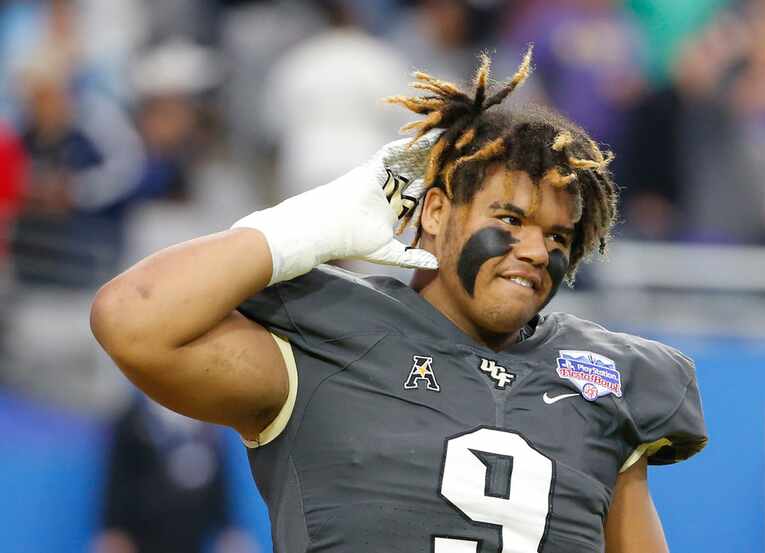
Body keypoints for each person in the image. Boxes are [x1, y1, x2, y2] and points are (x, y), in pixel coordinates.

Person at [91, 49, 707, 553]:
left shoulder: (606, 378)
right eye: (509, 218)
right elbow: (130, 318)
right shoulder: (331, 340)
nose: (533, 249)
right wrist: (304, 229)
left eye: (557, 236)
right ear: (435, 212)